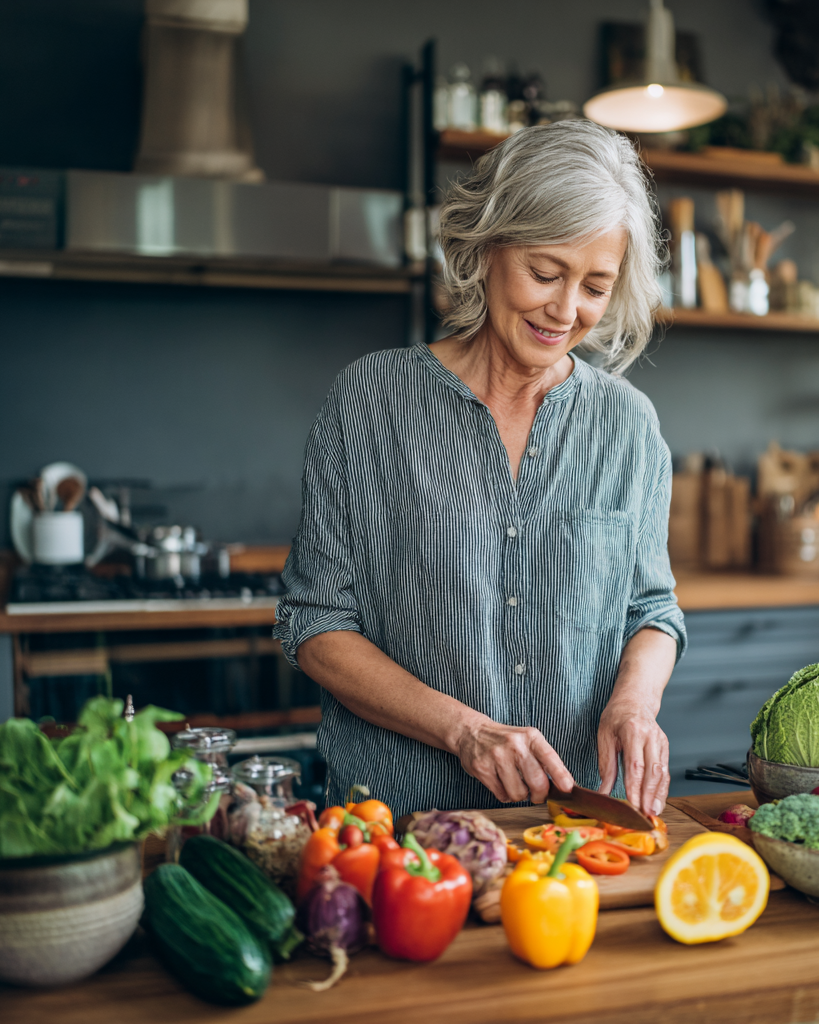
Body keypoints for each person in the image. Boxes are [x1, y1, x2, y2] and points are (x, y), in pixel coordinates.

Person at [275, 119, 685, 821]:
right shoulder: (370, 401)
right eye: (545, 273)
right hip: (395, 828)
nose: (566, 310)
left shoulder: (628, 424)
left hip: (568, 832)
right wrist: (463, 731)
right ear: (487, 246)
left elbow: (651, 611)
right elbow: (316, 626)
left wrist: (633, 704)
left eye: (595, 285)